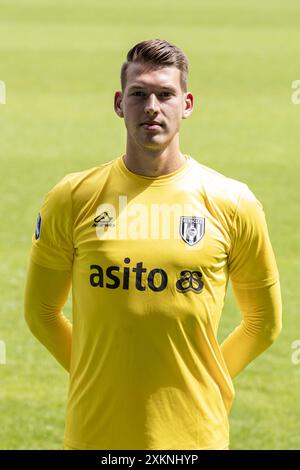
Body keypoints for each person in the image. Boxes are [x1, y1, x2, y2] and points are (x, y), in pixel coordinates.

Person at [24, 39, 282, 451]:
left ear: (188, 104)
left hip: (196, 440)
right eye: (139, 94)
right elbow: (40, 312)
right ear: (118, 103)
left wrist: (208, 382)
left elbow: (263, 324)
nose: (151, 106)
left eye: (165, 94)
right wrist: (98, 376)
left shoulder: (234, 203)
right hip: (95, 437)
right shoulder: (71, 198)